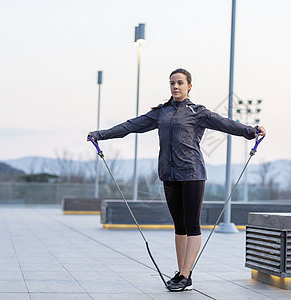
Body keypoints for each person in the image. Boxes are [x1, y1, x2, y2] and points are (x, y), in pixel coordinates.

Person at [87, 68, 266, 292]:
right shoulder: (161, 112)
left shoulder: (197, 112)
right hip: (169, 175)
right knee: (179, 226)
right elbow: (131, 125)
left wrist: (251, 131)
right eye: (172, 83)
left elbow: (225, 123)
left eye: (180, 83)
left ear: (189, 86)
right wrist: (100, 134)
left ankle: (186, 274)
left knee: (192, 225)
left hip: (192, 174)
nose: (175, 86)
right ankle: (182, 274)